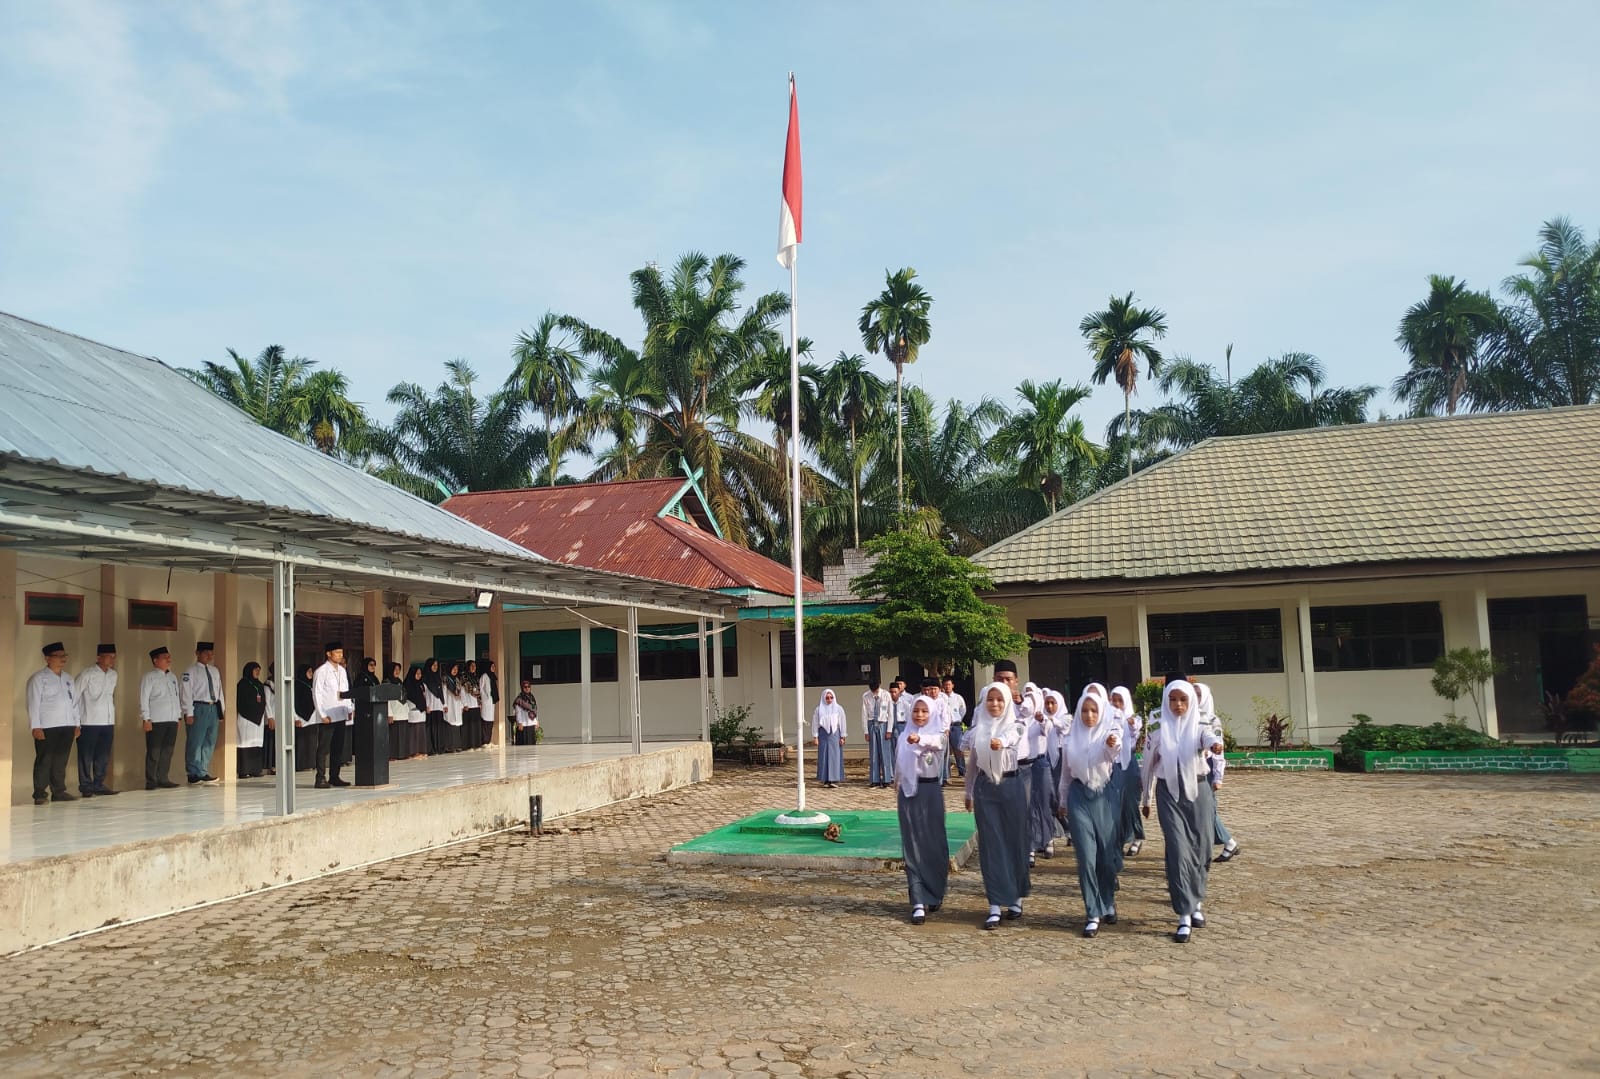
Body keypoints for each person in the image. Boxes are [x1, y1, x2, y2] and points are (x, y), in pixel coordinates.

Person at [1141, 680, 1224, 943]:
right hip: (1168, 793)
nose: (1178, 705)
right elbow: (1147, 766)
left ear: (1191, 701)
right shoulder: (1157, 728)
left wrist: (1215, 745)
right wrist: (1146, 798)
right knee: (1178, 850)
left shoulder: (1203, 723)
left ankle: (1196, 899)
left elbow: (1209, 739)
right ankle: (1184, 914)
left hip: (1199, 792)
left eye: (1183, 700)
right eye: (1173, 699)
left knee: (1202, 849)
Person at [1056, 690, 1125, 937]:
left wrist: (1112, 743)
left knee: (1106, 857)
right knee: (1086, 856)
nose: (1089, 715)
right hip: (1078, 798)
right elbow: (1065, 774)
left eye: (1094, 710)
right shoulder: (1070, 739)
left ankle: (1107, 901)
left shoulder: (1107, 735)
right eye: (1084, 710)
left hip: (1104, 796)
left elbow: (1113, 750)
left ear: (1102, 712)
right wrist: (1062, 801)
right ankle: (1092, 911)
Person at [964, 680, 1030, 929]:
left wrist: (999, 742)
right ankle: (994, 904)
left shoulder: (1017, 725)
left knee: (1014, 841)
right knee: (991, 845)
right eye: (990, 699)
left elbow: (1011, 737)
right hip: (985, 789)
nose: (995, 704)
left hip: (1012, 787)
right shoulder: (977, 730)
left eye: (1000, 699)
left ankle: (1014, 897)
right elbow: (972, 764)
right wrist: (968, 792)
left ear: (1007, 701)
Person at [896, 695, 948, 925]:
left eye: (924, 711)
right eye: (916, 711)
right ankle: (917, 900)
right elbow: (899, 765)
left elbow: (936, 744)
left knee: (934, 844)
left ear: (932, 713)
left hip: (930, 792)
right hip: (908, 794)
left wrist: (918, 739)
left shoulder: (938, 736)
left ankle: (935, 891)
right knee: (912, 844)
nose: (919, 715)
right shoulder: (902, 736)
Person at [1193, 681, 1242, 862]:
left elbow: (1219, 751)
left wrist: (1218, 777)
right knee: (1200, 810)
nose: (1195, 698)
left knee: (1207, 810)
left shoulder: (1213, 720)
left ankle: (1228, 842)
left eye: (1199, 695)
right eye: (1193, 694)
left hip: (1208, 769)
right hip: (1193, 767)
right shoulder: (1189, 718)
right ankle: (1228, 843)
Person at [28, 642, 80, 805]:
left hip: (67, 725)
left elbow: (74, 702)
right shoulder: (39, 678)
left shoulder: (68, 679)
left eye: (64, 656)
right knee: (45, 759)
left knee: (61, 759)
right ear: (47, 658)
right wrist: (35, 726)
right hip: (47, 726)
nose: (62, 659)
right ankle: (40, 793)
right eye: (58, 656)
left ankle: (58, 791)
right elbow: (33, 703)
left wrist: (77, 723)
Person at [1019, 680, 1055, 865]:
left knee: (1044, 802)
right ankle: (1030, 847)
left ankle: (1048, 839)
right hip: (1024, 765)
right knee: (1028, 807)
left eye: (1033, 696)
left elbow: (1049, 731)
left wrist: (1042, 720)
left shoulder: (1041, 717)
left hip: (1040, 763)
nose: (1029, 701)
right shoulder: (1017, 717)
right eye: (1027, 696)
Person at [76, 643, 119, 796]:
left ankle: (98, 784)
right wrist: (76, 722)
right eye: (109, 657)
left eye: (113, 657)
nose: (112, 660)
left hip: (107, 721)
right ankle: (86, 786)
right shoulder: (86, 674)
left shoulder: (113, 675)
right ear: (98, 657)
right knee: (86, 755)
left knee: (103, 754)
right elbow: (75, 698)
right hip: (89, 721)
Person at [1107, 686, 1145, 857]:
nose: (1116, 703)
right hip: (1113, 763)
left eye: (1119, 700)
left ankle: (1136, 836)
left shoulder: (1134, 718)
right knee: (1115, 803)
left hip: (1129, 763)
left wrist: (1129, 722)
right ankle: (1119, 839)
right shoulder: (1107, 717)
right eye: (1113, 699)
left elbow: (1135, 729)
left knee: (1130, 802)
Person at [179, 641, 223, 785]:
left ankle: (203, 770)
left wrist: (221, 710)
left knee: (209, 740)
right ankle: (193, 772)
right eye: (205, 653)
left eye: (211, 653)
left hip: (212, 707)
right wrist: (188, 712)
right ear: (197, 653)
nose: (209, 656)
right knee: (195, 740)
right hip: (198, 707)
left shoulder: (214, 670)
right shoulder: (190, 671)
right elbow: (186, 692)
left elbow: (219, 691)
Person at [139, 646, 183, 789]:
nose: (169, 659)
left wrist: (178, 717)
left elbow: (176, 697)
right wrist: (146, 718)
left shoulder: (172, 677)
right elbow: (144, 698)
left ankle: (163, 778)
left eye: (169, 657)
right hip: (156, 720)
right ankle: (151, 781)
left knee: (167, 750)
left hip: (171, 719)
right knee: (154, 751)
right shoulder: (149, 677)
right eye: (165, 657)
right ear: (155, 660)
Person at [312, 641, 354, 788]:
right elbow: (316, 694)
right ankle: (320, 778)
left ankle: (335, 776)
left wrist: (349, 709)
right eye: (337, 653)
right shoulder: (321, 671)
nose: (340, 655)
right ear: (328, 654)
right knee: (323, 748)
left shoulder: (342, 671)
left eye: (341, 653)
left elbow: (346, 691)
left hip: (341, 713)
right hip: (328, 716)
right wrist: (322, 714)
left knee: (338, 747)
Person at [235, 662, 268, 778]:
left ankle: (255, 769)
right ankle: (244, 771)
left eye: (259, 670)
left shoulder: (259, 685)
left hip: (258, 719)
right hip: (246, 718)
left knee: (256, 743)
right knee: (245, 743)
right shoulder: (242, 684)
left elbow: (263, 700)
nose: (258, 672)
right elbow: (240, 701)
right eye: (255, 670)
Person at [811, 688, 847, 788]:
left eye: (831, 697)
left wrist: (843, 736)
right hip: (823, 734)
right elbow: (815, 723)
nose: (829, 700)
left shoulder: (838, 708)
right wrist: (815, 736)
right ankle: (825, 779)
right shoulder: (819, 709)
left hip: (835, 735)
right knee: (824, 756)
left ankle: (834, 779)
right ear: (823, 698)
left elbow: (842, 723)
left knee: (835, 756)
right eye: (827, 698)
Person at [862, 680, 894, 788]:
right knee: (874, 753)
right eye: (872, 689)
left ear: (879, 685)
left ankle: (886, 779)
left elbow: (890, 713)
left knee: (885, 753)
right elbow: (864, 714)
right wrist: (866, 731)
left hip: (883, 724)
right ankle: (875, 779)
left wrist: (889, 730)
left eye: (875, 689)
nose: (874, 692)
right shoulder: (866, 696)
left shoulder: (886, 695)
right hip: (871, 724)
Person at [292, 664, 316, 772]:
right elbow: (293, 703)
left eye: (312, 671)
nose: (311, 674)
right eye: (309, 671)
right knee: (302, 741)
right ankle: (301, 764)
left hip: (312, 717)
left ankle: (310, 763)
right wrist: (295, 717)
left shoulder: (312, 684)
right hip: (300, 717)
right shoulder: (296, 685)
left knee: (310, 741)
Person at [942, 676, 967, 778]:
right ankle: (946, 774)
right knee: (945, 750)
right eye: (945, 685)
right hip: (944, 728)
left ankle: (962, 771)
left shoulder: (958, 697)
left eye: (949, 684)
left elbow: (963, 710)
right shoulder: (941, 697)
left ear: (952, 685)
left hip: (955, 726)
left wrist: (957, 719)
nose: (947, 687)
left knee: (958, 749)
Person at [384, 662, 409, 761]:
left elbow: (404, 696)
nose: (397, 671)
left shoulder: (399, 681)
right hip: (394, 712)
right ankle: (392, 754)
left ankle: (402, 754)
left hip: (402, 711)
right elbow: (387, 699)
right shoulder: (387, 682)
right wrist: (389, 714)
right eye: (395, 669)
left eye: (399, 669)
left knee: (402, 734)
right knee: (394, 735)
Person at [422, 658, 447, 753]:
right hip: (430, 706)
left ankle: (439, 747)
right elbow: (425, 694)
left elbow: (441, 692)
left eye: (436, 665)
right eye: (433, 665)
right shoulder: (425, 678)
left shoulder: (438, 677)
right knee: (431, 727)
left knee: (439, 728)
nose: (435, 667)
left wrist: (444, 704)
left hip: (439, 705)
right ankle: (431, 748)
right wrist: (427, 705)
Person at [443, 661, 467, 751]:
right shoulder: (446, 679)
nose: (455, 671)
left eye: (456, 669)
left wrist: (463, 705)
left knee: (457, 725)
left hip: (457, 704)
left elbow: (462, 693)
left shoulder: (457, 680)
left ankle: (457, 745)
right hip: (449, 704)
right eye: (453, 669)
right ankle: (450, 746)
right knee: (450, 723)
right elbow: (444, 693)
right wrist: (444, 705)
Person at [461, 659, 483, 748]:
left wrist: (480, 703)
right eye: (472, 666)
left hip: (476, 704)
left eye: (475, 666)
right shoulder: (464, 678)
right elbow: (462, 692)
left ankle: (476, 744)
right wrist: (464, 704)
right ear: (468, 667)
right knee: (468, 726)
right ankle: (468, 745)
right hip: (468, 705)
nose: (474, 668)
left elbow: (479, 691)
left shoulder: (476, 678)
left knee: (476, 725)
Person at [512, 679, 540, 745]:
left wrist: (536, 721)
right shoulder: (519, 699)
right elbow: (518, 712)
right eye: (525, 687)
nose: (527, 688)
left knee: (531, 745)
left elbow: (535, 710)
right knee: (524, 744)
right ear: (522, 688)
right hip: (523, 725)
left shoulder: (532, 698)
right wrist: (520, 723)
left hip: (531, 724)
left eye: (528, 687)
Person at [262, 664, 278, 776]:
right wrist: (270, 717)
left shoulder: (281, 683)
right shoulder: (267, 685)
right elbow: (266, 702)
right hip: (271, 718)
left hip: (279, 717)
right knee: (271, 742)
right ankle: (270, 766)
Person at [479, 659, 499, 747]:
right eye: (492, 666)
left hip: (492, 701)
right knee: (485, 721)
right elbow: (481, 688)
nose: (494, 668)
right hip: (486, 701)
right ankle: (484, 740)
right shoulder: (484, 676)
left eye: (494, 666)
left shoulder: (493, 676)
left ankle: (488, 740)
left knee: (490, 721)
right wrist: (485, 697)